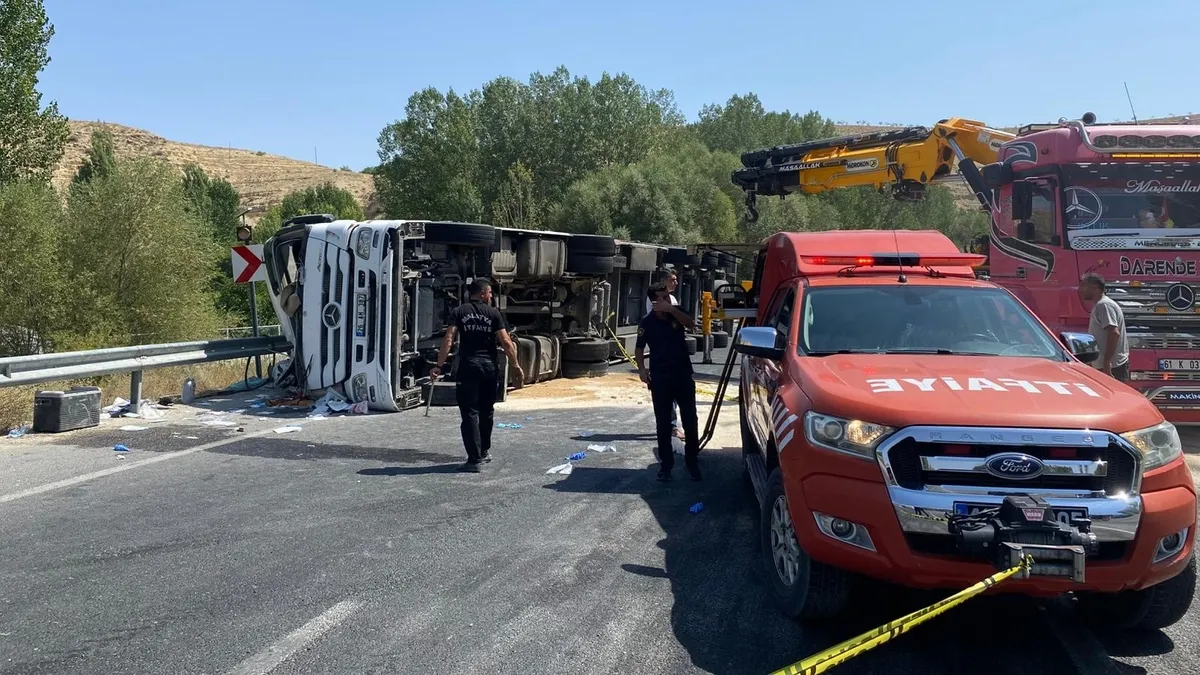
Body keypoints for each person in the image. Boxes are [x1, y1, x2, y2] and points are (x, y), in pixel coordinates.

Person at [431, 279, 525, 472]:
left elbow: (449, 338)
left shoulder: (459, 312)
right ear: (482, 293)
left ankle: (474, 459)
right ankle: (484, 451)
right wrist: (516, 366)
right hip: (489, 367)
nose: (491, 296)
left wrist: (439, 365)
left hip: (468, 367)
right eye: (490, 293)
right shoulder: (493, 314)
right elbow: (506, 342)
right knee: (486, 410)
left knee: (469, 413)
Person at [635, 285, 702, 482]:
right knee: (663, 423)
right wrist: (641, 369)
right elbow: (639, 348)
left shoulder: (676, 313)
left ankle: (692, 462)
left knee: (690, 419)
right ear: (655, 302)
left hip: (682, 375)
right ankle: (666, 466)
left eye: (668, 297)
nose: (668, 300)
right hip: (660, 378)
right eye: (663, 298)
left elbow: (691, 325)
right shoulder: (647, 323)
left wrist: (672, 309)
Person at [643, 269, 686, 441]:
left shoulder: (672, 298)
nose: (676, 283)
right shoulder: (655, 299)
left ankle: (672, 425)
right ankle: (671, 427)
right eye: (672, 280)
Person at [1079, 273, 1129, 382]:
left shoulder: (1104, 305)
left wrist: (1107, 363)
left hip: (1112, 368)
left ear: (1095, 288)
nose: (1081, 290)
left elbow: (1114, 333)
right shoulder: (1100, 305)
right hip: (1105, 366)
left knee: (1114, 398)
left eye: (1084, 286)